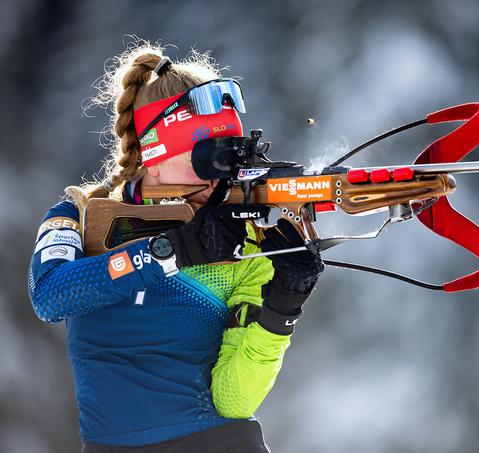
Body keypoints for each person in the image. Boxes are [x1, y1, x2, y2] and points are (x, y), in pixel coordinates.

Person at [27, 43, 323, 452]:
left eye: (230, 161)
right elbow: (52, 296)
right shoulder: (80, 216)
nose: (220, 178)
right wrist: (169, 252)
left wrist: (281, 311)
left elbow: (233, 400)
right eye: (207, 159)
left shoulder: (244, 241)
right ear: (155, 152)